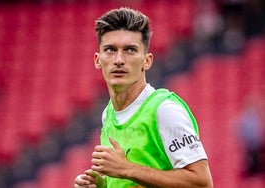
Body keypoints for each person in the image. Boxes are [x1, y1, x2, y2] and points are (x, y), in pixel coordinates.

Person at [74, 7, 213, 188]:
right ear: (97, 60)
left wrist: (127, 169)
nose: (119, 60)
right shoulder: (108, 114)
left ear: (147, 61)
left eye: (130, 50)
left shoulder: (164, 110)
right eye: (110, 50)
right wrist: (101, 185)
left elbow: (202, 183)